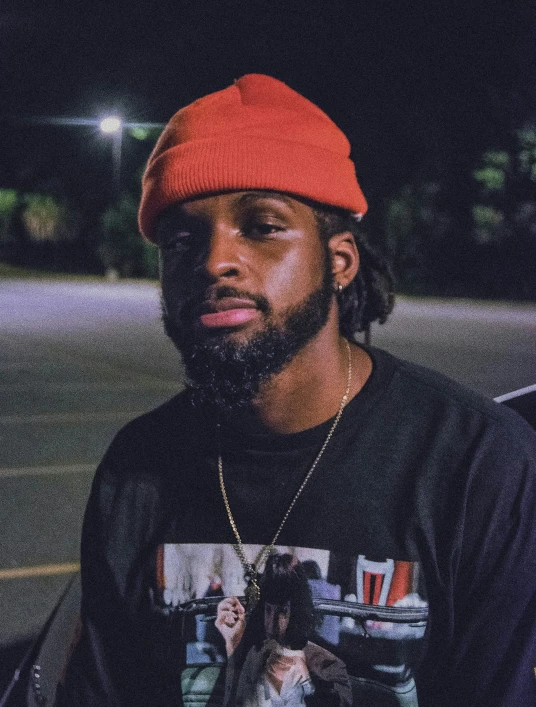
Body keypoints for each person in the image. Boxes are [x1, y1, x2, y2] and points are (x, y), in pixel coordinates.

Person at [59, 74, 536, 707]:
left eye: (261, 226)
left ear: (339, 262)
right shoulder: (137, 466)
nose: (212, 261)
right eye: (182, 239)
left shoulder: (480, 464)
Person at [215, 553, 351, 706]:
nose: (272, 624)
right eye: (268, 610)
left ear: (297, 611)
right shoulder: (248, 654)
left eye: (282, 611)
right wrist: (232, 645)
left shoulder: (326, 666)